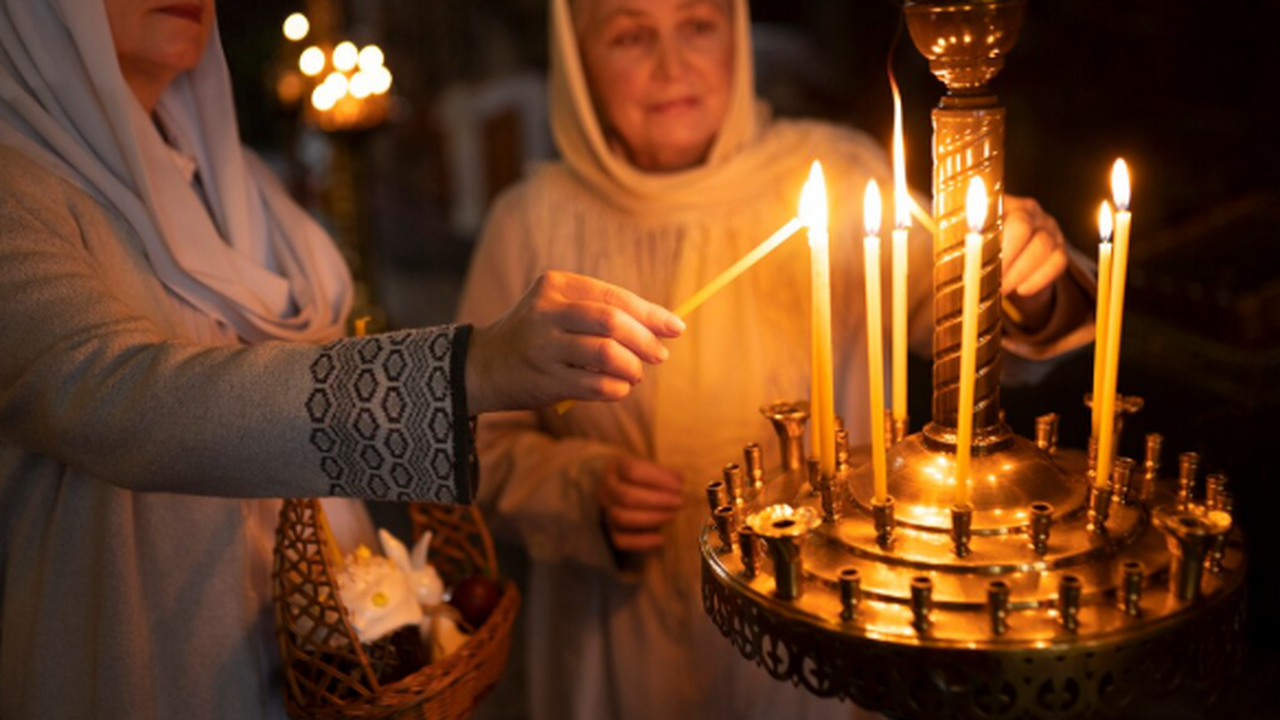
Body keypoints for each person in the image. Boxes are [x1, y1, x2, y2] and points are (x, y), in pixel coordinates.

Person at [0, 0, 685, 718]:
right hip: (163, 660)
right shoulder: (21, 194)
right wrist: (470, 369)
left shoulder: (239, 183)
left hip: (325, 648)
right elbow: (117, 399)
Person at [456, 0, 1094, 718]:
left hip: (819, 624)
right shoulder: (529, 221)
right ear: (575, 61)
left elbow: (967, 317)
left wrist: (1022, 279)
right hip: (619, 642)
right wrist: (577, 491)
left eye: (697, 25)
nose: (672, 65)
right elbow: (475, 437)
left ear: (737, 33)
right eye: (631, 35)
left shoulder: (838, 170)